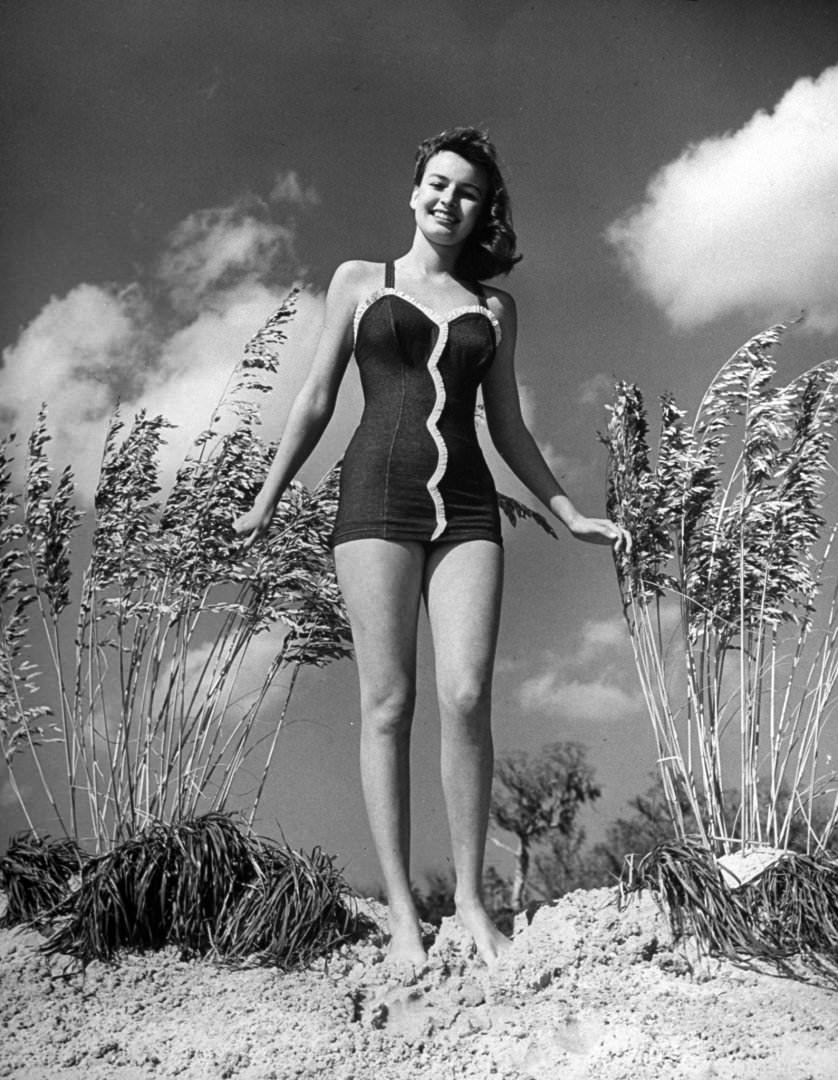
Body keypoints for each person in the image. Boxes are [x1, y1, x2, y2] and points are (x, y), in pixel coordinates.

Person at [234, 127, 631, 969]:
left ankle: (473, 904)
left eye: (470, 193)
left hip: (469, 508)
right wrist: (267, 498)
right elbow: (312, 400)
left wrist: (568, 512)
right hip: (375, 496)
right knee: (389, 703)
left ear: (484, 211)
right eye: (439, 185)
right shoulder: (359, 282)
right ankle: (405, 920)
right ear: (415, 192)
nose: (450, 201)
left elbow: (510, 429)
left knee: (466, 694)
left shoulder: (494, 310)